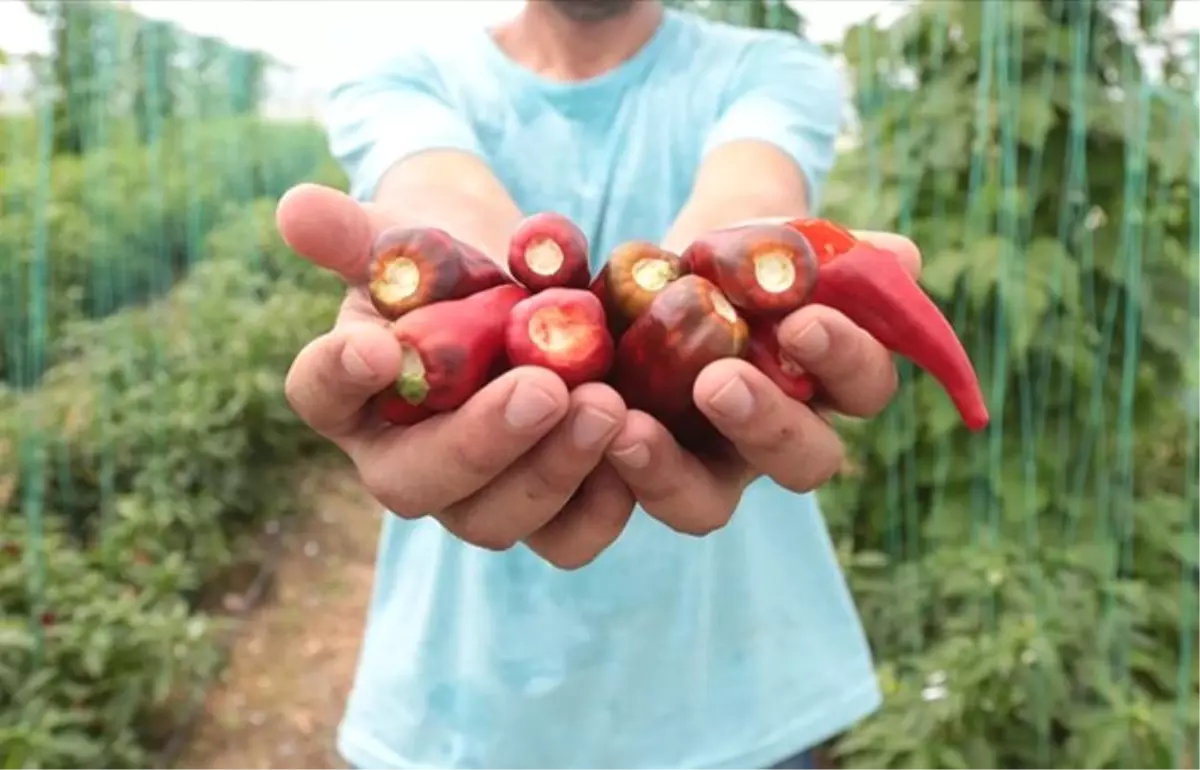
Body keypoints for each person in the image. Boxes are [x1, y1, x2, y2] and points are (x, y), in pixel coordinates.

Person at [275, 1, 921, 768]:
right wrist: (444, 267)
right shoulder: (404, 75)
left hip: (738, 696)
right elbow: (440, 193)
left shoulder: (771, 68)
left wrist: (721, 279)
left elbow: (748, 200)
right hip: (466, 707)